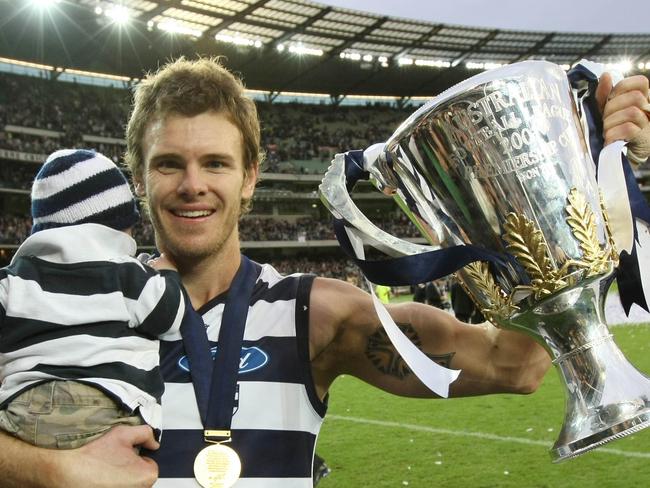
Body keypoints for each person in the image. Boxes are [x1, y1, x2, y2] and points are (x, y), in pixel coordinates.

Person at [0, 58, 647, 488]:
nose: (192, 185)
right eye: (169, 163)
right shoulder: (62, 307)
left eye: (216, 164)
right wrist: (50, 469)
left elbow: (518, 365)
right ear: (140, 179)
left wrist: (596, 172)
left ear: (250, 176)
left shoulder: (316, 315)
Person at [0, 149, 185, 450]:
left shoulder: (12, 279)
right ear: (114, 226)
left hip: (25, 409)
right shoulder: (125, 272)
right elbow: (169, 316)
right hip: (111, 405)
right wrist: (167, 275)